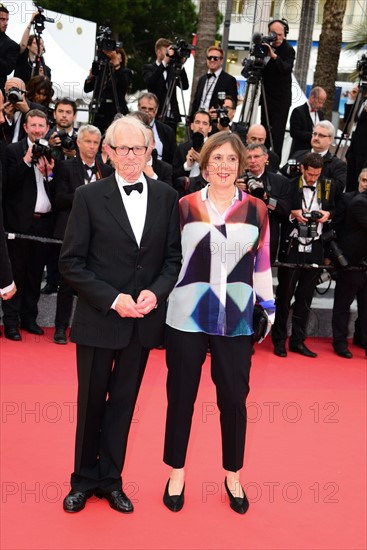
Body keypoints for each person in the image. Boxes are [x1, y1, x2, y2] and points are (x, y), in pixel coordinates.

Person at [59, 116, 181, 514]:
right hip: (99, 319)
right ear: (108, 152)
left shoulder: (166, 196)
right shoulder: (89, 196)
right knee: (91, 402)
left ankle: (111, 480)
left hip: (142, 323)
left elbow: (172, 259)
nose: (131, 156)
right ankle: (83, 480)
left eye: (139, 149)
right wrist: (113, 299)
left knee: (123, 404)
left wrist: (155, 294)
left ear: (150, 152)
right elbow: (71, 263)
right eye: (123, 148)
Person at [162, 132, 275, 515]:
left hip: (236, 318)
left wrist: (269, 309)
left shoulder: (258, 209)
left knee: (233, 399)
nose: (223, 166)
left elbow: (262, 263)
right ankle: (176, 472)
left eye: (231, 159)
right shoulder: (184, 205)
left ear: (241, 165)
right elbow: (172, 261)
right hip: (185, 316)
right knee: (180, 397)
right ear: (204, 164)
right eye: (216, 159)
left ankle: (233, 474)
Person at [53, 124, 114, 344]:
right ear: (78, 142)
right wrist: (86, 195)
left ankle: (91, 329)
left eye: (95, 142)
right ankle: (60, 327)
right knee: (67, 282)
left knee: (95, 283)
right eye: (87, 141)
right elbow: (58, 199)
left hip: (98, 236)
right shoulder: (65, 167)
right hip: (71, 232)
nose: (91, 146)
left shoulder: (107, 172)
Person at [271, 153, 335, 358]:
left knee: (306, 296)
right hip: (292, 246)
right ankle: (279, 340)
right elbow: (278, 209)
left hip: (315, 248)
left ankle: (298, 341)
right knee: (284, 295)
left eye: (317, 175)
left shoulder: (327, 186)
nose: (313, 178)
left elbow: (338, 207)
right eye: (310, 174)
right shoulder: (289, 185)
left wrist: (328, 215)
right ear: (302, 169)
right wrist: (293, 213)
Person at [2, 109, 54, 341]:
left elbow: (57, 191)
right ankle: (11, 322)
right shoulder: (13, 151)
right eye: (32, 126)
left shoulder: (53, 154)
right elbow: (8, 186)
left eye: (41, 126)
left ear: (47, 128)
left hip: (43, 225)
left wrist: (49, 174)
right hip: (18, 224)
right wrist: (25, 161)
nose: (37, 130)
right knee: (16, 273)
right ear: (25, 127)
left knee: (35, 274)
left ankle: (29, 319)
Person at [331, 168, 367, 358]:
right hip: (349, 261)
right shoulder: (350, 200)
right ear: (359, 180)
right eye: (364, 180)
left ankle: (361, 339)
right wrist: (335, 256)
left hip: (364, 264)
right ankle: (340, 342)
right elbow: (336, 227)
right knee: (343, 305)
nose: (366, 184)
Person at [238, 143, 291, 263]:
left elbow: (286, 210)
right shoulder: (236, 180)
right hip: (239, 240)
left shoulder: (280, 181)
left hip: (267, 238)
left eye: (256, 156)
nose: (252, 161)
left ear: (265, 158)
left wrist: (267, 199)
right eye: (249, 157)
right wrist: (234, 192)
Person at [282, 121, 346, 202]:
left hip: (320, 203)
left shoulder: (337, 164)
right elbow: (282, 174)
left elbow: (338, 188)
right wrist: (292, 169)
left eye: (321, 135)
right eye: (314, 134)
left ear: (330, 139)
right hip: (292, 200)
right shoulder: (298, 154)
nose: (316, 138)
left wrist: (313, 175)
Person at [260, 19, 295, 159]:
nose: (278, 38)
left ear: (285, 34)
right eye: (275, 34)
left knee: (277, 135)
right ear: (270, 33)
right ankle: (261, 158)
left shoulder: (288, 50)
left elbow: (286, 68)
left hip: (281, 101)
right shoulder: (264, 46)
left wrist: (273, 55)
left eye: (281, 34)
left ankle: (274, 164)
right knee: (264, 132)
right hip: (266, 97)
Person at [142, 38, 189, 131]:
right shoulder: (148, 68)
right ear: (159, 52)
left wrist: (181, 64)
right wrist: (164, 62)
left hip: (172, 116)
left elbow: (185, 86)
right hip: (156, 114)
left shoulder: (172, 69)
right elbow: (151, 81)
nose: (171, 53)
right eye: (167, 50)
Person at [84, 47, 131, 134]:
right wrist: (90, 77)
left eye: (116, 55)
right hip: (100, 109)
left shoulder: (125, 72)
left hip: (116, 109)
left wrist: (116, 64)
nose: (113, 56)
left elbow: (124, 83)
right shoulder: (102, 71)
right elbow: (87, 89)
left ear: (121, 58)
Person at [190, 46, 238, 116]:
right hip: (198, 120)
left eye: (215, 58)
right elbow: (196, 103)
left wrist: (218, 115)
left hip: (215, 123)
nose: (212, 60)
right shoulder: (202, 79)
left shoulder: (229, 80)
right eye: (209, 58)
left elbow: (232, 106)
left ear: (221, 61)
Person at [2, 76, 47, 144]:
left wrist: (27, 112)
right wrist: (8, 119)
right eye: (9, 93)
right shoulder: (2, 109)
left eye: (16, 92)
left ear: (24, 93)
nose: (13, 95)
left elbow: (40, 134)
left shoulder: (38, 109)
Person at [172, 110, 212, 182]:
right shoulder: (182, 148)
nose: (200, 126)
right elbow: (173, 176)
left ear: (210, 128)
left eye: (205, 123)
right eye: (197, 122)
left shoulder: (215, 148)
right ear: (192, 126)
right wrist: (187, 166)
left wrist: (202, 162)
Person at [138, 92, 176, 163]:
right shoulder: (129, 128)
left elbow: (173, 158)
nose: (147, 112)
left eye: (150, 109)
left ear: (156, 110)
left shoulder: (168, 131)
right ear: (138, 108)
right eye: (143, 108)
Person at [14, 11, 51, 84]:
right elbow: (23, 45)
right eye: (35, 43)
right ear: (29, 46)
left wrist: (42, 77)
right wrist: (30, 23)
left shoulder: (46, 69)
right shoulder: (22, 59)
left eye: (41, 44)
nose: (39, 46)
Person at [289, 87, 327, 155]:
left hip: (316, 154)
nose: (321, 106)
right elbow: (294, 133)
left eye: (323, 103)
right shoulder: (298, 111)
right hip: (300, 153)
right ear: (312, 98)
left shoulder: (320, 114)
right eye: (319, 102)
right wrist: (314, 135)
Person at [344, 85, 367, 191]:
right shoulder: (361, 100)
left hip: (364, 154)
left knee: (361, 187)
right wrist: (352, 99)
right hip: (353, 150)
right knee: (350, 185)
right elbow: (348, 121)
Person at [0, 3, 19, 93]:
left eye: (7, 20)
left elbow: (7, 69)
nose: (6, 23)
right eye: (2, 19)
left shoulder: (12, 45)